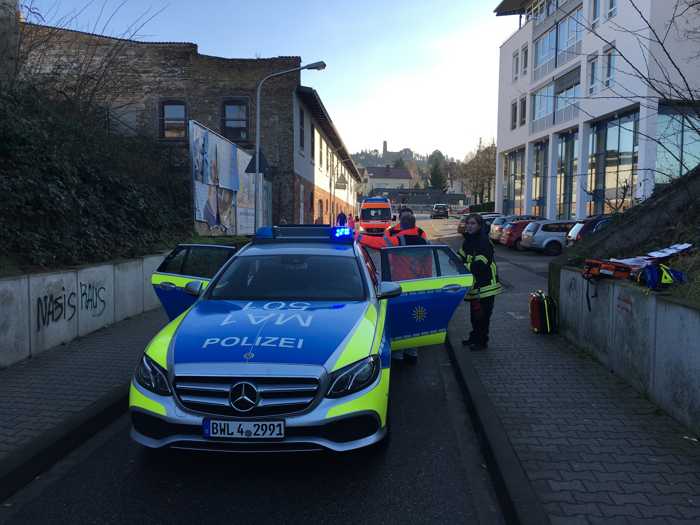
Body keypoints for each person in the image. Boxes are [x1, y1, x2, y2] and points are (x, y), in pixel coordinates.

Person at [358, 209, 428, 364]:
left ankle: (398, 355)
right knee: (414, 320)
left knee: (400, 319)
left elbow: (379, 244)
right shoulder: (423, 238)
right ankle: (412, 353)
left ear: (401, 224)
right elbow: (427, 263)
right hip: (419, 284)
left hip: (400, 284)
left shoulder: (399, 239)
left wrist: (357, 236)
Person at [458, 213, 503, 351]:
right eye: (468, 223)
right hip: (476, 286)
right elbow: (460, 257)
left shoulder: (484, 241)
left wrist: (463, 266)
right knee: (475, 316)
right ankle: (474, 337)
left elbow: (481, 264)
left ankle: (481, 342)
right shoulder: (468, 241)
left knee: (483, 317)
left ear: (479, 226)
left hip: (486, 286)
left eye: (472, 224)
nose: (469, 226)